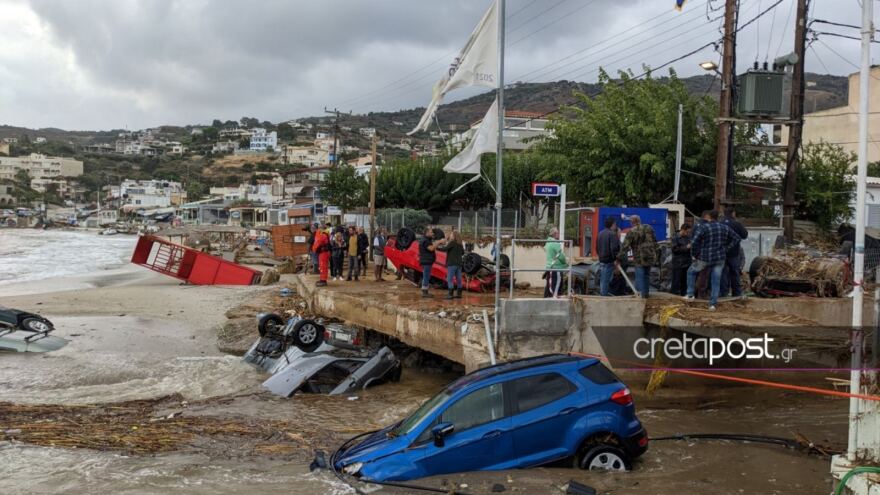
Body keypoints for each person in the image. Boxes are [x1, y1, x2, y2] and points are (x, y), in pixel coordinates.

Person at [685, 210, 740, 310]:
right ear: (718, 217)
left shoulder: (704, 227)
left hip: (705, 258)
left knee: (691, 272)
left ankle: (690, 294)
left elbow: (694, 242)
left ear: (709, 217)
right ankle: (712, 304)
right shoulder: (725, 227)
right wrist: (726, 248)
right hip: (720, 258)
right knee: (716, 280)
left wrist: (694, 255)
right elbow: (737, 238)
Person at [618, 215, 657, 298]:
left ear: (632, 222)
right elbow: (655, 242)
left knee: (639, 277)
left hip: (640, 258)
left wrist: (618, 257)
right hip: (650, 256)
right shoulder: (649, 228)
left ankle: (639, 297)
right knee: (646, 276)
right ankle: (645, 294)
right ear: (639, 220)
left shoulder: (632, 231)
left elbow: (625, 246)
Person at [720, 207, 748, 298]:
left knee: (722, 273)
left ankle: (723, 293)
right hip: (734, 253)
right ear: (733, 213)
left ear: (724, 214)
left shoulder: (719, 223)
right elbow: (744, 235)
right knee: (735, 273)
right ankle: (736, 294)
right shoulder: (736, 224)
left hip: (721, 253)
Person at [596, 217, 620, 296]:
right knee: (606, 280)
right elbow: (614, 248)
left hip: (602, 259)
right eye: (615, 224)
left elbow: (597, 247)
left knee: (603, 279)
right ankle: (603, 296)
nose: (616, 226)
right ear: (612, 224)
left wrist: (600, 256)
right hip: (609, 260)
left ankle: (603, 293)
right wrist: (616, 259)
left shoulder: (600, 233)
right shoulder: (612, 234)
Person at [437, 230, 465, 299]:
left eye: (451, 234)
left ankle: (450, 294)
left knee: (450, 279)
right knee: (459, 279)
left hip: (452, 264)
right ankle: (459, 294)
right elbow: (463, 253)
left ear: (454, 236)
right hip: (459, 264)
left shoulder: (452, 242)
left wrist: (436, 248)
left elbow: (445, 249)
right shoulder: (460, 244)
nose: (450, 236)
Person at [544, 227, 568, 298]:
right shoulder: (555, 243)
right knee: (556, 287)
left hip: (550, 267)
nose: (558, 234)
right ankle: (554, 299)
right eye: (557, 233)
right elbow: (561, 256)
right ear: (554, 234)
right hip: (556, 267)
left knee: (549, 286)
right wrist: (565, 263)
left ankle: (547, 298)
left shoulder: (548, 242)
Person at [670, 223, 692, 296]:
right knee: (676, 281)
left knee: (685, 281)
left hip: (687, 262)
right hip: (678, 263)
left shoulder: (688, 237)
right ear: (682, 230)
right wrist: (686, 247)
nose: (688, 233)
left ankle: (684, 295)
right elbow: (675, 249)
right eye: (687, 232)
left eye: (689, 232)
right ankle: (673, 296)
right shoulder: (675, 237)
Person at [418, 227, 441, 298]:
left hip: (426, 260)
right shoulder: (425, 240)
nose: (432, 233)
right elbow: (431, 248)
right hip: (426, 261)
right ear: (427, 233)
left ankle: (425, 291)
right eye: (431, 232)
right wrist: (438, 242)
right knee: (426, 276)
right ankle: (425, 292)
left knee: (426, 275)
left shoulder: (425, 239)